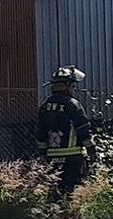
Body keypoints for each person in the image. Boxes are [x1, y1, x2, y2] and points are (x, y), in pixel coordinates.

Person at [36, 65, 95, 196]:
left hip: (52, 158)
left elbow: (40, 133)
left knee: (54, 191)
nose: (74, 89)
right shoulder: (73, 105)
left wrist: (43, 153)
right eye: (73, 86)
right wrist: (92, 151)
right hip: (73, 158)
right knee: (74, 192)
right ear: (67, 86)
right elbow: (83, 130)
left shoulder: (44, 107)